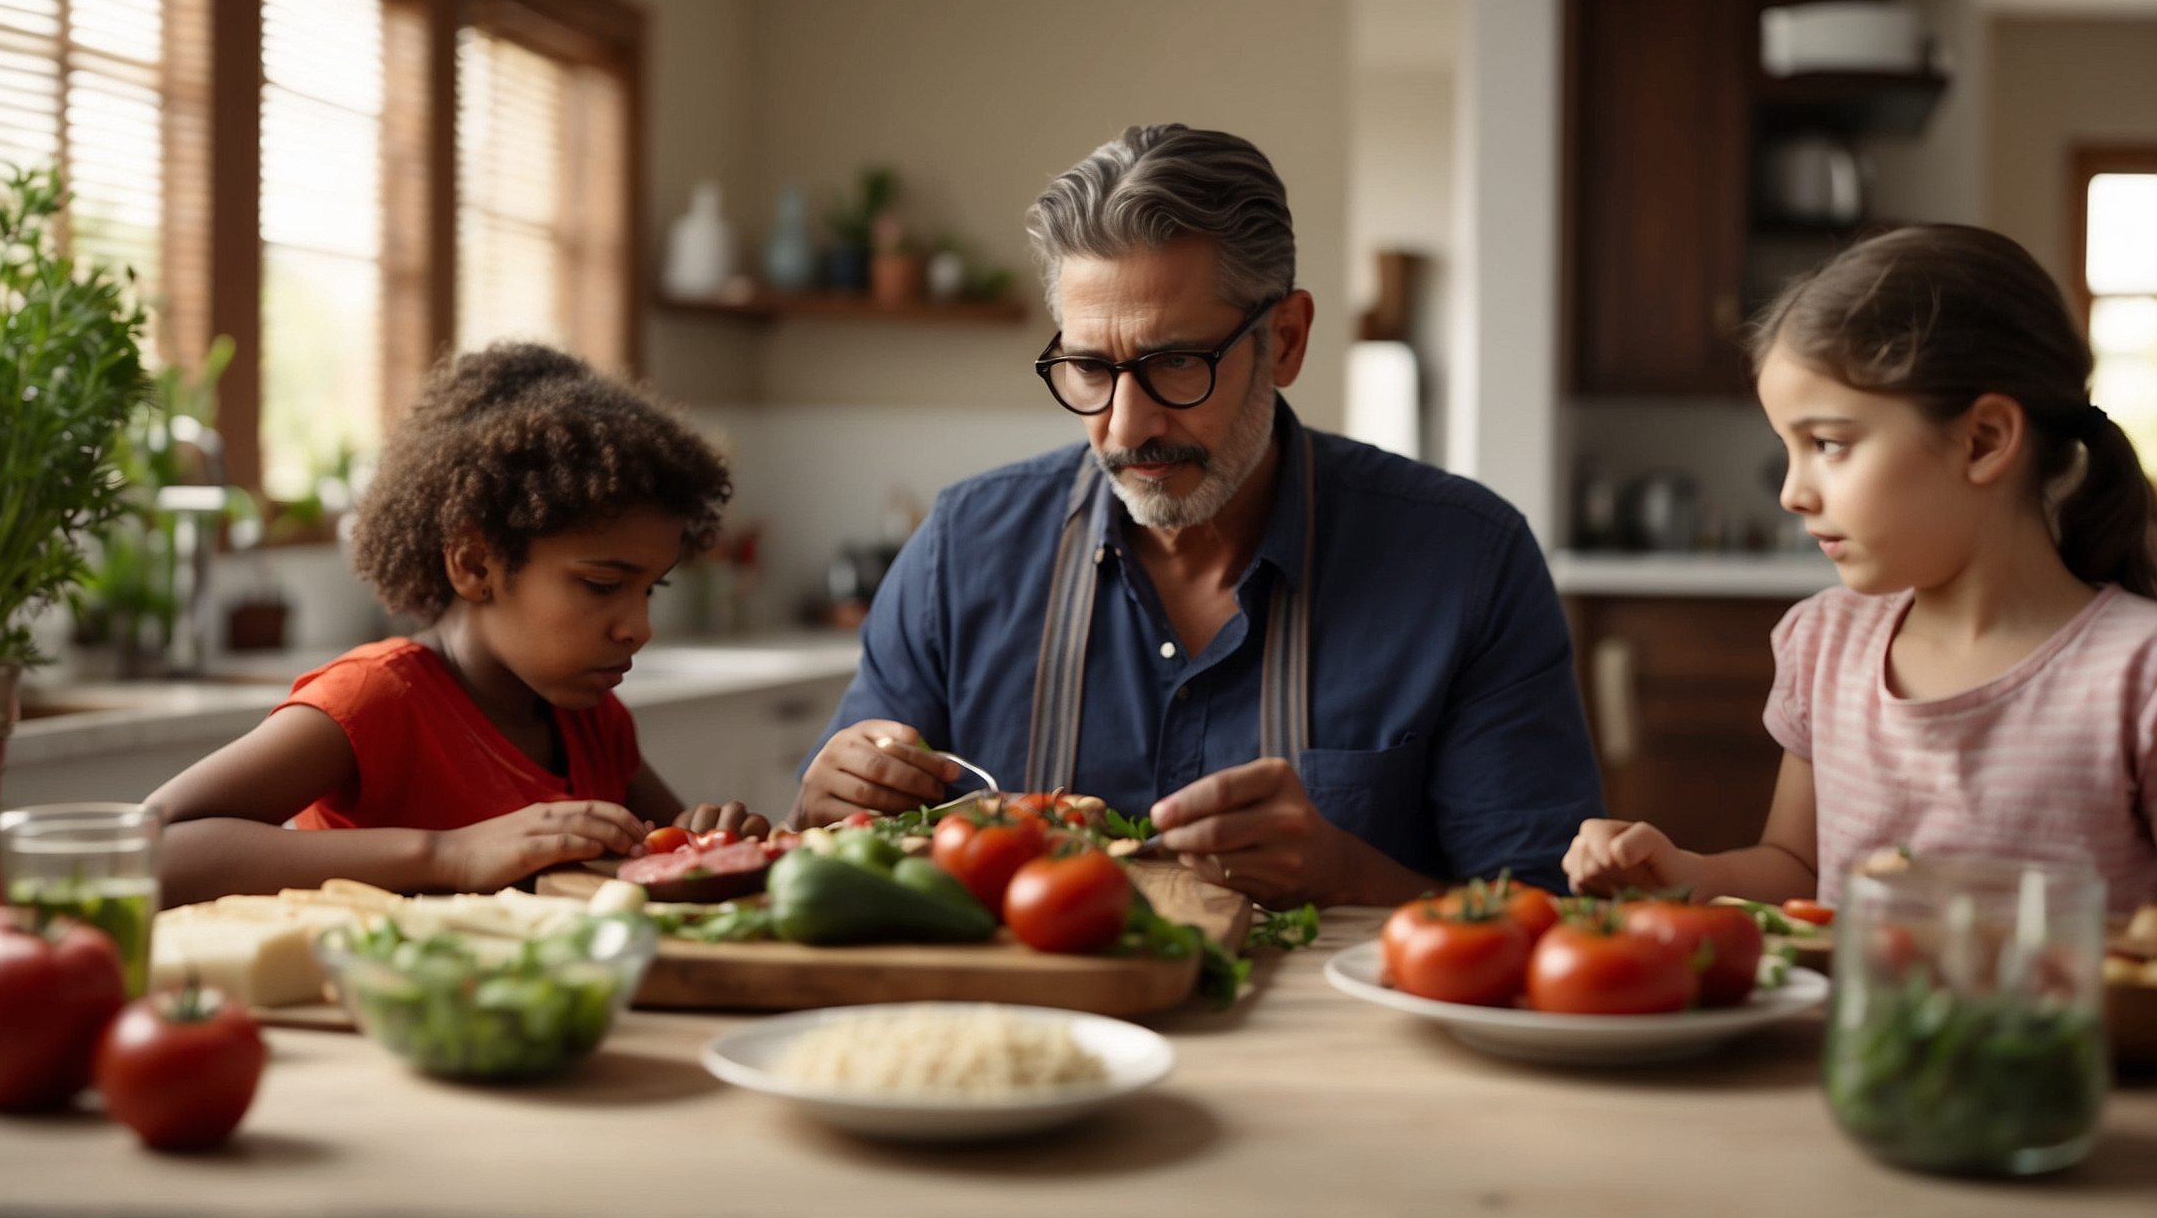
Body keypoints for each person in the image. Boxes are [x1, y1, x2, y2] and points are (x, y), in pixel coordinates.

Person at [795, 124, 1603, 908]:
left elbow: (1546, 914)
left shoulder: (1468, 562)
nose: (1125, 426)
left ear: (1285, 340)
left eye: (1177, 363)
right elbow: (853, 857)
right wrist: (832, 805)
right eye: (1088, 367)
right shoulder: (960, 551)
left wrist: (1350, 876)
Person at [1565, 225, 2157, 910]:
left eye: (1828, 443)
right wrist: (1688, 871)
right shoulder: (1824, 645)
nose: (1792, 492)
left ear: (1983, 441)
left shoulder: (2135, 676)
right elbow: (1797, 869)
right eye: (1790, 448)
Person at [147, 343, 764, 906]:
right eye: (602, 586)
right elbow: (150, 848)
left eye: (649, 588)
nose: (639, 627)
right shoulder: (377, 700)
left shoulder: (595, 724)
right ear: (474, 564)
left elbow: (670, 864)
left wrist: (717, 848)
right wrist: (447, 853)